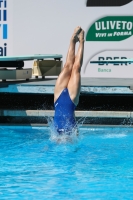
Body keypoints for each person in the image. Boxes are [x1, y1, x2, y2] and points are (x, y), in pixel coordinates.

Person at [53, 26, 84, 134]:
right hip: (71, 99)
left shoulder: (55, 135)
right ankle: (81, 42)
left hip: (58, 98)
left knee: (67, 66)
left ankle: (72, 40)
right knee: (76, 68)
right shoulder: (73, 133)